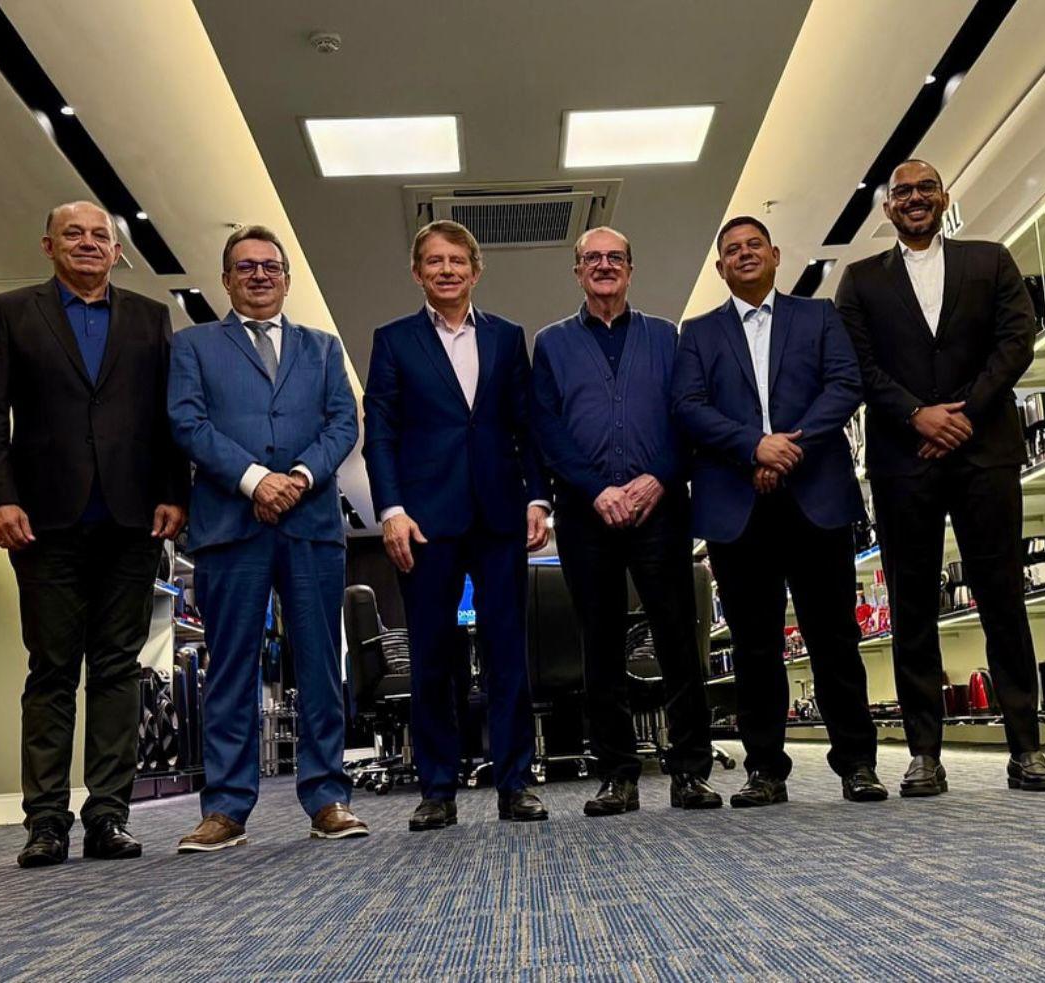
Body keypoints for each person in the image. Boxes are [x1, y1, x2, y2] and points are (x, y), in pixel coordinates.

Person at [0, 201, 189, 867]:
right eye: (74, 233)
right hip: (43, 521)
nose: (89, 243)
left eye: (101, 235)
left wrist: (174, 493)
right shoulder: (12, 312)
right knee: (52, 668)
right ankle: (45, 821)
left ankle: (108, 815)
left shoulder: (150, 318)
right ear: (48, 245)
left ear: (118, 251)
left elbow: (167, 417)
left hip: (131, 519)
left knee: (119, 667)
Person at [835, 160, 1045, 795]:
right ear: (887, 209)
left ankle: (1026, 747)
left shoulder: (990, 259)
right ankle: (924, 753)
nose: (915, 198)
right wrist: (916, 415)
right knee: (911, 606)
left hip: (986, 453)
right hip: (904, 461)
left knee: (1003, 597)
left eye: (925, 188)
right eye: (902, 192)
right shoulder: (860, 279)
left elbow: (1016, 340)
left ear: (944, 197)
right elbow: (856, 364)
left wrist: (964, 413)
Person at [672, 216, 886, 807]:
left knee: (834, 636)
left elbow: (844, 386)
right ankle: (765, 769)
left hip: (815, 496)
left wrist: (787, 449)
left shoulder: (818, 317)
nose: (744, 254)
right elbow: (688, 407)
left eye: (754, 245)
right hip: (736, 505)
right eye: (732, 250)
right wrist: (753, 447)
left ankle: (857, 764)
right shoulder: (698, 332)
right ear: (720, 267)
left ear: (775, 255)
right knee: (754, 644)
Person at [168, 225, 365, 852]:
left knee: (320, 665)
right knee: (230, 668)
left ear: (286, 278)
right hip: (231, 525)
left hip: (310, 525)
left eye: (270, 266)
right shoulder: (194, 345)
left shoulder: (323, 348)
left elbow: (344, 422)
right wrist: (255, 480)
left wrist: (299, 477)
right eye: (246, 266)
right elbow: (187, 422)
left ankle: (328, 797)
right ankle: (225, 808)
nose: (259, 275)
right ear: (226, 279)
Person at [363, 219, 549, 831]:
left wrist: (538, 498)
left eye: (457, 261)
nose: (446, 270)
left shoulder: (507, 337)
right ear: (417, 273)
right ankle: (437, 789)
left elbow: (526, 427)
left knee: (507, 653)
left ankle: (515, 783)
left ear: (476, 270)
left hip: (498, 515)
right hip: (425, 521)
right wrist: (391, 510)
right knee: (432, 657)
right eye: (434, 261)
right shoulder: (393, 341)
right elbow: (380, 434)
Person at [531, 227, 720, 815]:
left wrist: (658, 477)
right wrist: (596, 490)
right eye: (593, 258)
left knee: (677, 638)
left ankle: (690, 771)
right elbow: (547, 430)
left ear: (631, 270)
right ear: (577, 271)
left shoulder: (667, 337)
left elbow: (687, 417)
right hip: (585, 516)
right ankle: (617, 774)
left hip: (660, 509)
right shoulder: (551, 344)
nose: (604, 265)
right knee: (600, 645)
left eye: (615, 258)